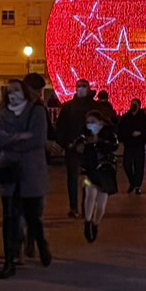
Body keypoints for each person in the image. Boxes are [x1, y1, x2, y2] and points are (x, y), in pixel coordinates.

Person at [0, 79, 52, 279]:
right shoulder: (4, 113)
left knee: (32, 216)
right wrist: (19, 137)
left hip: (31, 172)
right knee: (10, 219)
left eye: (16, 90)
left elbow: (37, 139)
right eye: (9, 91)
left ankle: (41, 244)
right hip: (9, 171)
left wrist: (10, 142)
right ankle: (9, 261)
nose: (13, 94)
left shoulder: (36, 111)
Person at [74, 110, 119, 243]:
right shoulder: (84, 134)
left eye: (93, 122)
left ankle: (95, 223)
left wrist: (99, 141)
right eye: (88, 122)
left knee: (101, 205)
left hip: (105, 172)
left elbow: (114, 146)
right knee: (90, 195)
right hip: (90, 171)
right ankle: (87, 222)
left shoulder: (109, 133)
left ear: (100, 122)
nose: (90, 125)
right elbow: (77, 145)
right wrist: (79, 146)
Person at [56, 79, 98, 218]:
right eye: (79, 86)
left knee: (88, 179)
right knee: (73, 179)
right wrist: (65, 143)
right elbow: (61, 127)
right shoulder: (68, 107)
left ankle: (86, 207)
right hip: (72, 147)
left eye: (83, 86)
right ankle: (74, 207)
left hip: (90, 148)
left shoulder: (94, 107)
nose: (80, 89)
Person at [118, 98, 146, 194]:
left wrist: (140, 133)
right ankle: (132, 182)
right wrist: (126, 136)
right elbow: (121, 129)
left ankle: (137, 185)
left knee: (138, 166)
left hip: (139, 144)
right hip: (129, 144)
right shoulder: (126, 117)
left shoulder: (142, 117)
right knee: (127, 165)